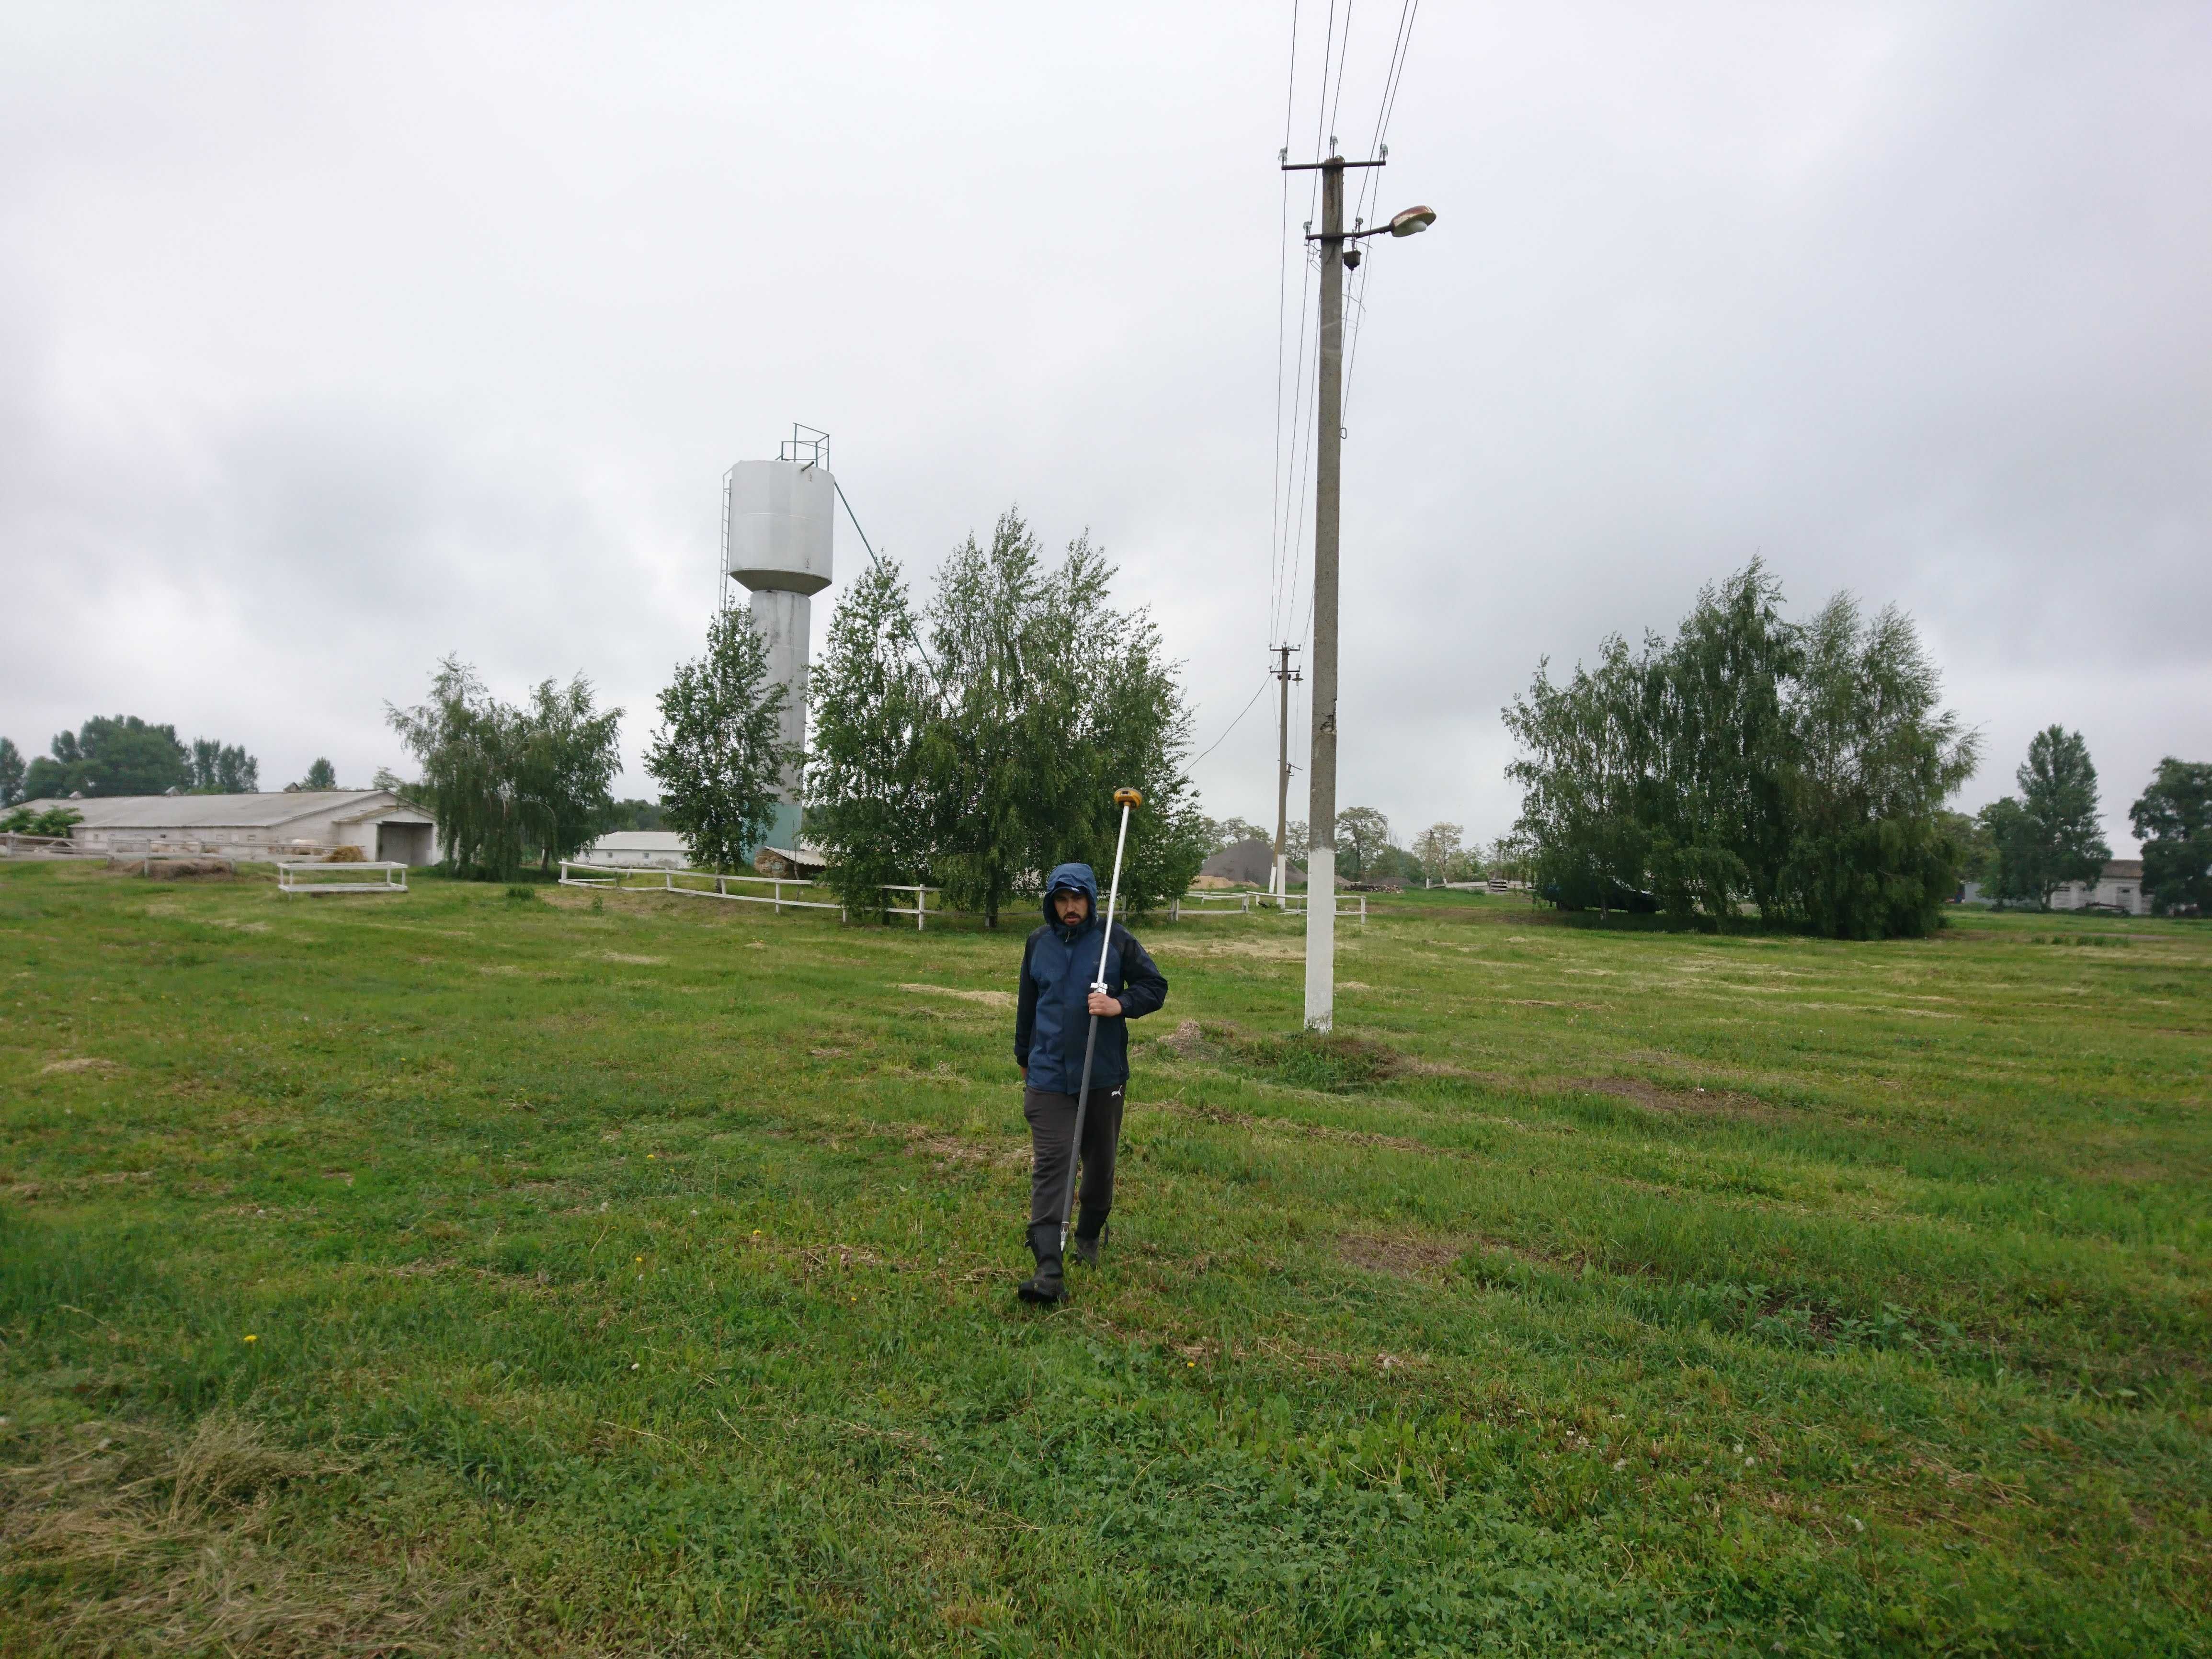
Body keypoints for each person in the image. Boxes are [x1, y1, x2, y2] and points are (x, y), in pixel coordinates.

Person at [1012, 861, 1168, 1304]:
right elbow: (1028, 1004)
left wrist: (1118, 1004)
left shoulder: (1114, 941)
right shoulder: (1038, 943)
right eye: (1061, 900)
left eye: (1077, 899)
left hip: (1101, 1077)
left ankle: (1088, 1234)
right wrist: (1024, 1057)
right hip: (1048, 1075)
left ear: (1092, 900)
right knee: (1053, 1166)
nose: (1070, 908)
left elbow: (1155, 986)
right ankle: (1048, 1267)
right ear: (1051, 903)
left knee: (1099, 1168)